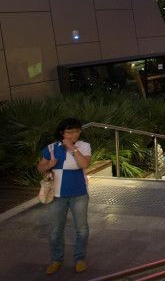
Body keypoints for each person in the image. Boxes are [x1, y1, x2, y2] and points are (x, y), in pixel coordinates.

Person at [37, 118, 92, 275]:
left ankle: (80, 258)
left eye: (77, 131)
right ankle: (56, 260)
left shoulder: (84, 146)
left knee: (81, 228)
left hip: (79, 193)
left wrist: (72, 148)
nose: (74, 134)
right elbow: (40, 167)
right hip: (57, 195)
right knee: (55, 230)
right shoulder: (51, 148)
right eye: (70, 131)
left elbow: (84, 164)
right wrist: (48, 165)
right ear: (62, 132)